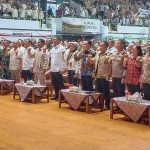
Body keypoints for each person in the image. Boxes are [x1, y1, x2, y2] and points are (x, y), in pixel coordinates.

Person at [88, 41, 111, 110]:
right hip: (98, 75)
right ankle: (100, 103)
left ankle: (107, 105)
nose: (100, 47)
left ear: (106, 47)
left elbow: (111, 66)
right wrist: (89, 59)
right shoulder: (98, 54)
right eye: (99, 46)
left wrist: (109, 75)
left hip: (104, 75)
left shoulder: (109, 54)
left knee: (106, 91)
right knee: (99, 91)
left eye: (101, 46)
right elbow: (93, 62)